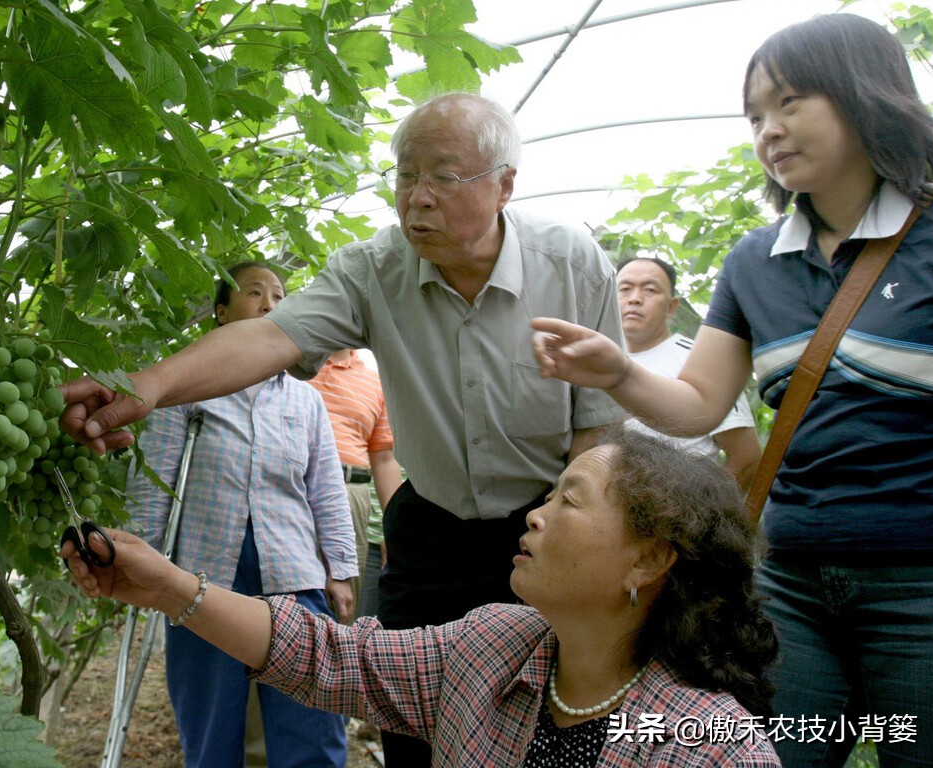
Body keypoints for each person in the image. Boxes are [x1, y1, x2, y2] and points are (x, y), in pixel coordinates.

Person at [60, 92, 625, 765]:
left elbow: (598, 428)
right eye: (405, 175)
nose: (417, 197)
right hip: (431, 530)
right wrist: (144, 387)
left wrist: (578, 542)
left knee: (544, 726)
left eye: (443, 177)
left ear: (505, 184)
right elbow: (269, 337)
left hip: (541, 530)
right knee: (413, 722)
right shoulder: (373, 269)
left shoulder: (572, 264)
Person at [532, 14, 933, 768]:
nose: (769, 130)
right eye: (755, 115)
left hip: (926, 588)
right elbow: (698, 404)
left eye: (790, 103)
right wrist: (619, 372)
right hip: (793, 581)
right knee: (772, 757)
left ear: (866, 95)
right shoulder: (756, 261)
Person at [64, 430, 781, 767]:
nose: (535, 513)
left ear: (651, 557)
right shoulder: (493, 647)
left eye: (570, 500)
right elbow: (327, 654)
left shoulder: (711, 749)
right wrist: (169, 587)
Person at [126, 262, 357, 768]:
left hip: (293, 572)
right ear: (221, 313)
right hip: (203, 573)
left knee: (312, 712)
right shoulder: (182, 394)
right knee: (210, 716)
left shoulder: (306, 401)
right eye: (254, 293)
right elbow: (154, 482)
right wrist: (142, 562)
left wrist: (340, 568)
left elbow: (327, 490)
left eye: (279, 294)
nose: (271, 303)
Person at [615, 256, 760, 489]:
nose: (634, 299)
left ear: (672, 306)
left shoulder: (702, 361)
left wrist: (706, 516)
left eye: (650, 290)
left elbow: (746, 458)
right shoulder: (597, 360)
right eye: (624, 289)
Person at [306, 348, 403, 613]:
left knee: (343, 604)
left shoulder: (374, 380)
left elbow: (383, 459)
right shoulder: (293, 365)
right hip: (295, 485)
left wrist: (394, 530)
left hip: (352, 493)